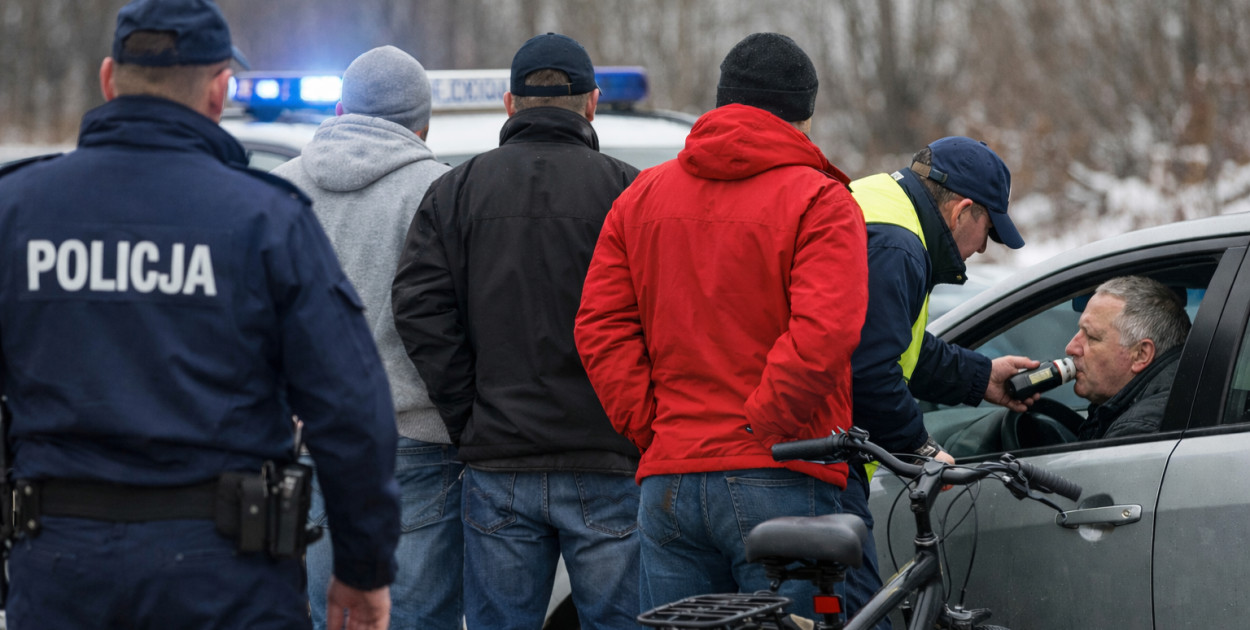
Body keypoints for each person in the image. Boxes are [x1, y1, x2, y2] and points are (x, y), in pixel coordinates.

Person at [0, 1, 401, 629]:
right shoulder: (268, 220)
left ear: (109, 80)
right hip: (225, 576)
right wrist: (362, 568)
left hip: (59, 569)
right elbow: (351, 408)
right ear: (220, 91)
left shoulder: (16, 213)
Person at [574, 32, 868, 621]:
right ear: (803, 118)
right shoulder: (821, 200)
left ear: (721, 101)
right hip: (781, 474)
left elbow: (599, 326)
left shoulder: (641, 197)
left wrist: (652, 423)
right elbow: (825, 331)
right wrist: (766, 424)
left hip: (670, 481)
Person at [391, 33, 642, 630]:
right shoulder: (631, 192)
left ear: (509, 104)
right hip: (606, 459)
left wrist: (468, 413)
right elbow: (665, 316)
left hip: (498, 461)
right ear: (592, 103)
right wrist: (636, 415)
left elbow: (419, 308)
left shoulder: (454, 191)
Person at [271, 45, 458, 629]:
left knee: (328, 615)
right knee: (417, 617)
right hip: (415, 440)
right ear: (424, 123)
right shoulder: (440, 191)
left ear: (338, 107)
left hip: (301, 442)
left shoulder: (277, 191)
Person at [843, 136, 1042, 626]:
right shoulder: (898, 244)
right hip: (817, 459)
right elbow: (870, 369)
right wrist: (921, 448)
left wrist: (983, 377)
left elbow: (894, 343)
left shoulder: (876, 200)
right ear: (962, 212)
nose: (979, 251)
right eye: (988, 234)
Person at [1067, 276, 1191, 440]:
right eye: (1079, 331)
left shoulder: (1137, 431)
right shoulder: (1184, 388)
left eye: (1091, 337)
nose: (1070, 348)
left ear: (1141, 355)